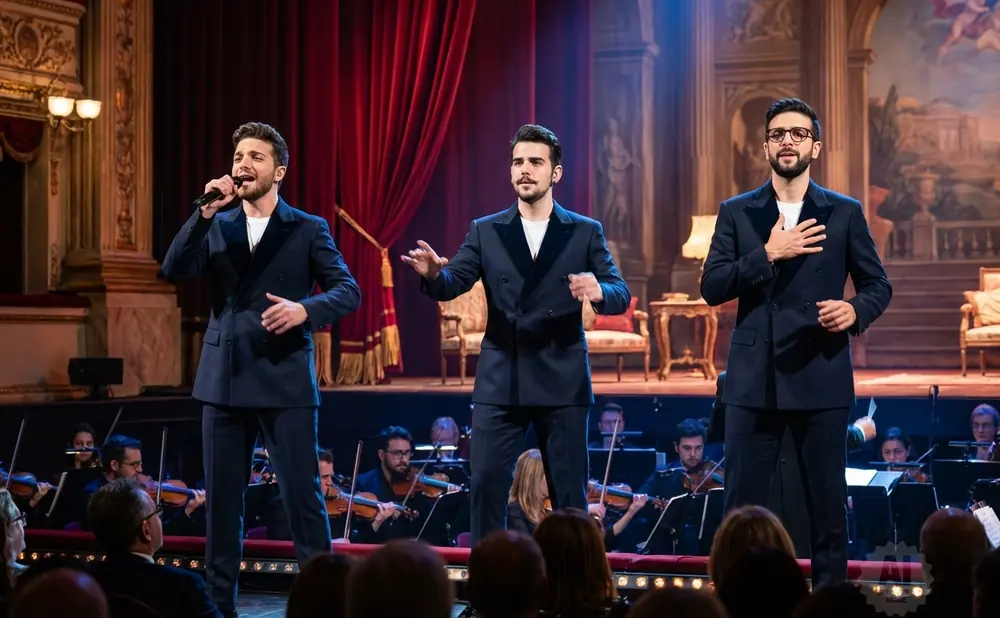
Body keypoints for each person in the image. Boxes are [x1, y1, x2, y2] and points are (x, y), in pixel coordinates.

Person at [161, 121, 361, 616]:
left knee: (304, 502)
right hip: (223, 380)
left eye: (255, 157)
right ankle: (220, 609)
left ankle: (324, 606)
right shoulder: (217, 223)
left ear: (280, 171)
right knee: (223, 508)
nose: (243, 164)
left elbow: (348, 290)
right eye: (238, 157)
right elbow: (173, 269)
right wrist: (204, 213)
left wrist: (304, 310)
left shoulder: (307, 227)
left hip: (284, 380)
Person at [402, 124, 630, 544]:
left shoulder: (584, 230)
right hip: (501, 377)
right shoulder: (486, 230)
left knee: (569, 499)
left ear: (555, 173)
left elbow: (620, 291)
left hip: (561, 377)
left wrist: (599, 291)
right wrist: (435, 275)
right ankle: (490, 594)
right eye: (517, 162)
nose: (524, 170)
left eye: (535, 162)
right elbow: (454, 280)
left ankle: (572, 595)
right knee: (486, 487)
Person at [700, 98, 891, 587]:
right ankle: (734, 601)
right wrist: (767, 253)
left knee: (828, 510)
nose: (788, 140)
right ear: (765, 146)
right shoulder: (738, 212)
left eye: (798, 133)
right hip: (752, 382)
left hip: (819, 374)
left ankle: (828, 605)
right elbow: (712, 286)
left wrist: (854, 311)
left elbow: (877, 286)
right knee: (740, 511)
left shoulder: (844, 212)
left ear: (816, 146)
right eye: (779, 133)